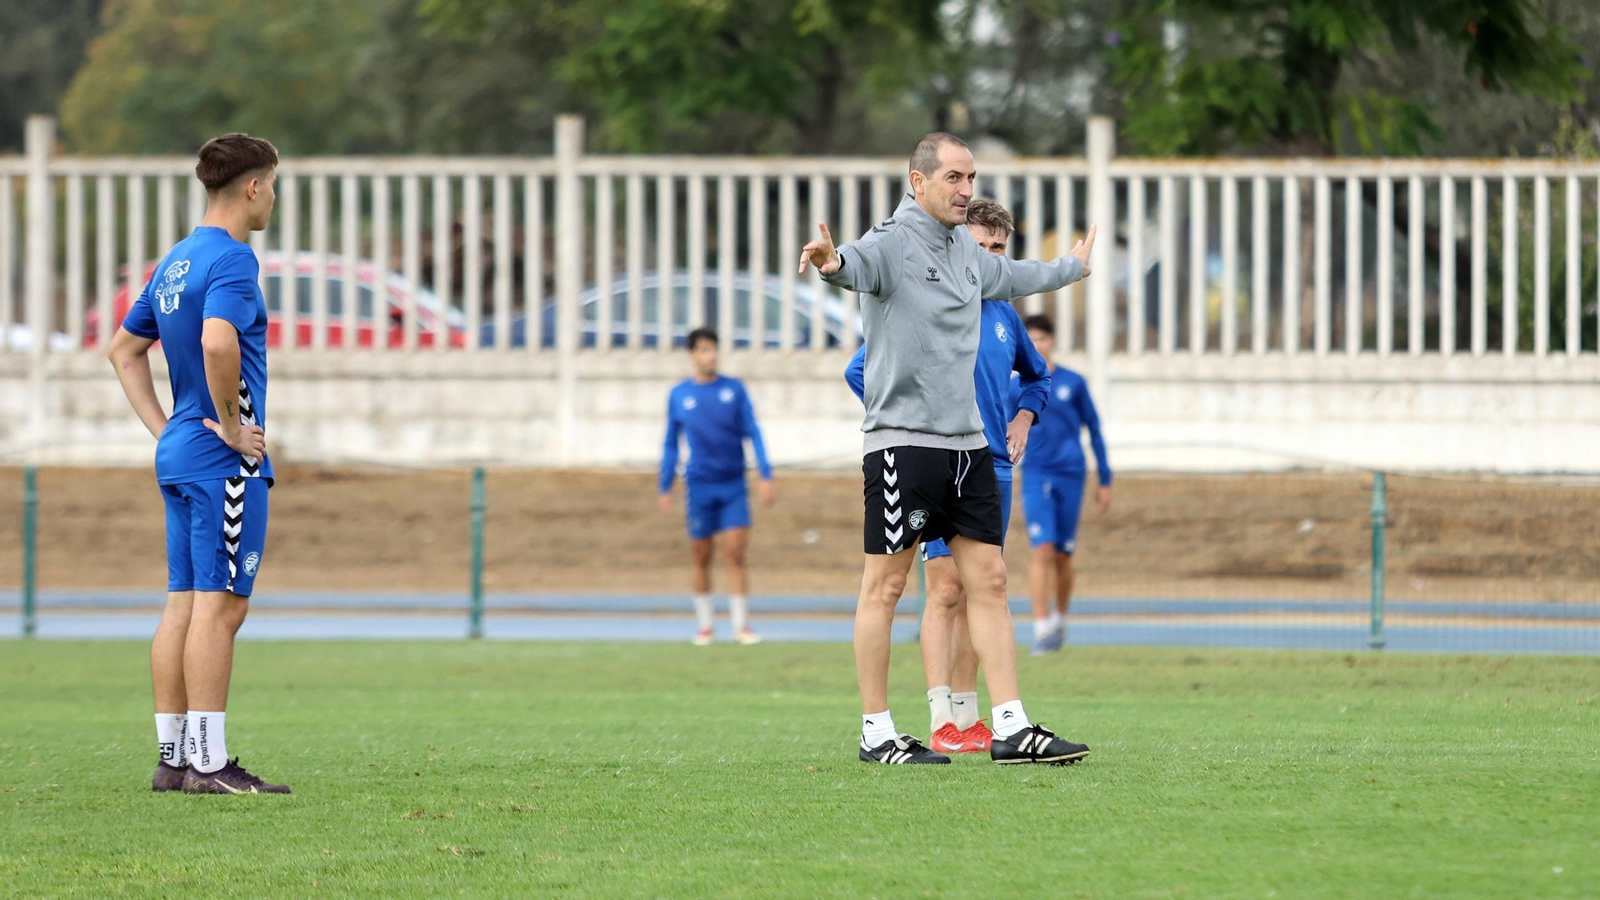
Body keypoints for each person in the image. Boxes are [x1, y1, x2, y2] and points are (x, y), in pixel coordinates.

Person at [801, 131, 1097, 765]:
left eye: (971, 178)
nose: (966, 190)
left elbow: (1013, 275)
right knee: (886, 588)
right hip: (904, 449)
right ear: (918, 182)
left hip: (970, 448)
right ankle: (877, 732)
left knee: (990, 580)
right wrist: (830, 263)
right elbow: (853, 266)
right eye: (953, 178)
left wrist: (1071, 266)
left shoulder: (966, 250)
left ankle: (1011, 727)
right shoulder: (890, 241)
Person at [107, 133, 288, 794]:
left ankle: (174, 758)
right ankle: (209, 764)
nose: (273, 197)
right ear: (252, 187)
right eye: (273, 184)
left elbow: (123, 350)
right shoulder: (234, 258)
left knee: (183, 602)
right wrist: (235, 429)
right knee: (222, 608)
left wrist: (167, 432)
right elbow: (218, 342)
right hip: (221, 462)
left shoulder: (177, 260)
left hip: (181, 454)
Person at [844, 199, 1050, 756]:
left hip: (990, 465)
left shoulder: (1004, 315)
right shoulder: (930, 302)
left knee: (987, 585)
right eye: (981, 247)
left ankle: (979, 716)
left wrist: (1025, 417)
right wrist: (908, 421)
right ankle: (940, 718)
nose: (990, 258)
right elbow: (860, 369)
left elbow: (1037, 378)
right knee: (943, 589)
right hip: (930, 458)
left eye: (999, 249)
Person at [659, 327, 775, 646]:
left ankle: (741, 625)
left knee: (735, 553)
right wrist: (665, 484)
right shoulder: (680, 395)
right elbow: (670, 443)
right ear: (692, 355)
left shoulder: (734, 390)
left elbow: (753, 432)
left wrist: (765, 474)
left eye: (713, 349)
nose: (711, 356)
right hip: (699, 485)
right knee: (701, 555)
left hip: (733, 483)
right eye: (704, 350)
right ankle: (705, 625)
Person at [1018, 314, 1112, 654]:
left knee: (1062, 555)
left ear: (1052, 341)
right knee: (1042, 549)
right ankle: (1041, 628)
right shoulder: (1016, 385)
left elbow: (1095, 429)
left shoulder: (1073, 382)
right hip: (1036, 473)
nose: (1037, 345)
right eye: (1030, 340)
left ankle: (1059, 619)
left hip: (1071, 473)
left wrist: (1105, 478)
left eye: (1042, 338)